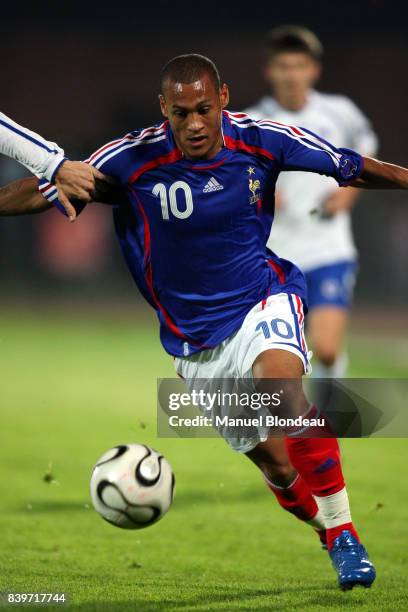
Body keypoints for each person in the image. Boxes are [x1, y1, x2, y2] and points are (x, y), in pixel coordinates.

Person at [1, 54, 407, 589]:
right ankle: (329, 533)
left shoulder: (262, 140)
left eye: (204, 110)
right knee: (279, 468)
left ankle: (347, 534)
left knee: (284, 393)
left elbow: (351, 165)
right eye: (181, 113)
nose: (194, 124)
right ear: (163, 109)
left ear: (223, 100)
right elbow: (53, 189)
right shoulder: (130, 159)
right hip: (195, 345)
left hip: (263, 300)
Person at [245, 26, 379, 378]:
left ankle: (329, 416)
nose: (291, 75)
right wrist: (261, 189)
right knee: (280, 358)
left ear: (313, 70)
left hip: (328, 249)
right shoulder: (252, 122)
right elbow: (236, 176)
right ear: (269, 71)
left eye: (299, 65)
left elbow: (367, 151)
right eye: (283, 66)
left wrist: (349, 193)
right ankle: (295, 424)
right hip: (276, 255)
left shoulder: (340, 112)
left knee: (328, 349)